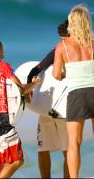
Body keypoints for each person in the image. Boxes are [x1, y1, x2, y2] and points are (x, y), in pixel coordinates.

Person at [52, 4, 94, 178]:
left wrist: (66, 74)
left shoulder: (62, 45)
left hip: (77, 94)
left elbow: (56, 74)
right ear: (87, 22)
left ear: (71, 23)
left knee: (74, 142)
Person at [0, 38, 41, 178]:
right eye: (2, 51)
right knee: (17, 161)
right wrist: (34, 84)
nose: (3, 55)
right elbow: (21, 89)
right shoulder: (1, 65)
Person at [27, 20, 70, 178]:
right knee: (65, 149)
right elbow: (35, 70)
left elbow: (35, 70)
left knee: (45, 148)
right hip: (63, 108)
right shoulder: (79, 51)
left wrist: (28, 89)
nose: (62, 42)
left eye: (63, 38)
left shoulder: (57, 50)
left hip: (48, 105)